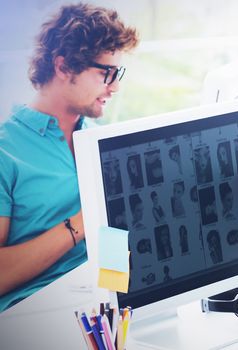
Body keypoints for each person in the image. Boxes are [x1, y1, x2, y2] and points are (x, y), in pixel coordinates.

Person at [0, 3, 138, 312]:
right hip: (33, 318)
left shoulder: (103, 140)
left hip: (104, 310)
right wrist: (82, 221)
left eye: (119, 73)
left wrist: (121, 299)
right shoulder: (5, 152)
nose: (115, 86)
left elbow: (115, 243)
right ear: (63, 68)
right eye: (106, 73)